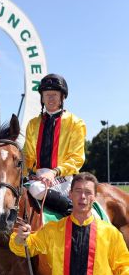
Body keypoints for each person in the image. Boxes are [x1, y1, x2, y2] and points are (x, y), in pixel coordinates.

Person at [9, 172, 129, 275]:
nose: (83, 197)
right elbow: (27, 246)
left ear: (94, 197)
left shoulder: (110, 233)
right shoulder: (53, 230)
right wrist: (19, 238)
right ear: (70, 195)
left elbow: (124, 267)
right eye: (78, 191)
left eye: (88, 192)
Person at [24, 73, 86, 215]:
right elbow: (28, 156)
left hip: (63, 176)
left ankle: (74, 212)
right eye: (47, 94)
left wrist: (54, 172)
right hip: (37, 178)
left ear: (62, 97)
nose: (50, 98)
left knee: (36, 189)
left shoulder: (75, 123)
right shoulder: (33, 124)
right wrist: (28, 173)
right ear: (42, 98)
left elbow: (76, 158)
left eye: (54, 95)